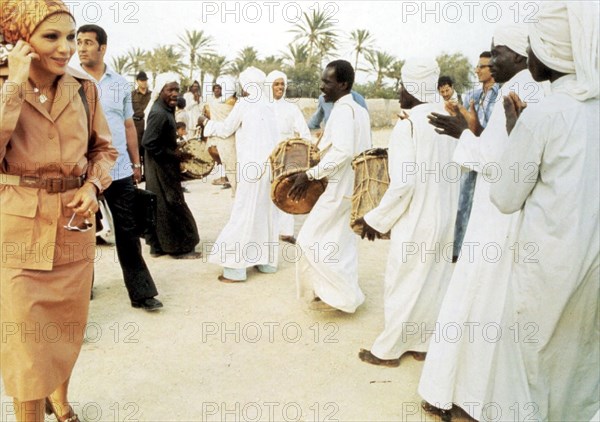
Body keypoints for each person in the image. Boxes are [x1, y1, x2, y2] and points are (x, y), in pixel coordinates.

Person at [420, 25, 544, 421]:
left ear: (521, 55)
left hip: (502, 217)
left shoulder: (523, 92)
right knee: (479, 301)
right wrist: (469, 134)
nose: (492, 59)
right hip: (496, 217)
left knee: (479, 301)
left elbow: (501, 163)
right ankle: (457, 395)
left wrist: (463, 136)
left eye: (499, 51)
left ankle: (461, 398)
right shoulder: (523, 88)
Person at [0, 2, 117, 421]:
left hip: (73, 226)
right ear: (21, 41)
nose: (67, 48)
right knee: (26, 347)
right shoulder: (2, 85)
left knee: (65, 332)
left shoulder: (84, 89)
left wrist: (92, 184)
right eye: (52, 37)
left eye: (70, 37)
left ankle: (60, 399)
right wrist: (13, 84)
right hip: (19, 232)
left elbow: (104, 150)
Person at [489, 3, 598, 420]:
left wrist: (518, 134)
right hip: (591, 264)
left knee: (531, 371)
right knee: (582, 367)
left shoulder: (546, 114)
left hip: (547, 267)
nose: (528, 57)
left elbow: (504, 198)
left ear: (550, 51)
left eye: (531, 47)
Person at [356, 58, 458, 366]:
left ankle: (387, 351)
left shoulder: (408, 125)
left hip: (417, 218)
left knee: (402, 281)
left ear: (412, 87)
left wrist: (375, 219)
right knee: (433, 281)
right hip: (445, 217)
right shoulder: (448, 119)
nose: (399, 91)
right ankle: (422, 344)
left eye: (402, 84)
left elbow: (403, 185)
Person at [77, 24, 163, 311]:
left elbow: (128, 125)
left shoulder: (120, 84)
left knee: (127, 231)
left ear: (103, 47)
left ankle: (141, 293)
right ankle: (79, 290)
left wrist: (136, 162)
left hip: (119, 169)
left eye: (88, 42)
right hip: (81, 171)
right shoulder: (68, 81)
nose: (81, 47)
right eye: (78, 42)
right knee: (81, 233)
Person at [288, 60, 371, 312]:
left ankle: (340, 295)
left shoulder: (345, 111)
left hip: (339, 188)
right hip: (354, 186)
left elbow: (343, 152)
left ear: (343, 84)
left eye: (327, 81)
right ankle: (336, 295)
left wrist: (310, 175)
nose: (322, 86)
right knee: (340, 243)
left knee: (307, 240)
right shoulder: (360, 111)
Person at [198, 67, 280, 282]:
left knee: (244, 213)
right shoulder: (269, 106)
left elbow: (226, 129)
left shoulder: (245, 104)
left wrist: (206, 124)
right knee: (265, 213)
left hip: (251, 168)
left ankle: (235, 268)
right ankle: (266, 263)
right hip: (269, 167)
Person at [142, 72, 201, 259]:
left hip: (160, 165)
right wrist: (174, 154)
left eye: (177, 89)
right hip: (162, 167)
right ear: (161, 91)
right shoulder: (159, 113)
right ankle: (179, 249)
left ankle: (158, 247)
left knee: (159, 205)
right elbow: (148, 142)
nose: (175, 93)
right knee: (172, 205)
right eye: (170, 90)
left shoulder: (164, 109)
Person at [451, 51, 499, 262]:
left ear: (493, 69)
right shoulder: (473, 96)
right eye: (477, 66)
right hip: (471, 154)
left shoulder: (500, 96)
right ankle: (458, 251)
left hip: (489, 157)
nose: (477, 70)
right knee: (462, 204)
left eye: (482, 66)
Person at [265, 70, 312, 244]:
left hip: (287, 156)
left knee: (285, 190)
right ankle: (267, 231)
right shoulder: (263, 107)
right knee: (266, 192)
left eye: (282, 84)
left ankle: (285, 232)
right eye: (276, 84)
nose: (280, 87)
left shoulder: (291, 108)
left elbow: (305, 133)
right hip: (266, 155)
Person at [202, 77, 238, 191]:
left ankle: (227, 178)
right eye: (216, 88)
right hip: (217, 132)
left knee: (230, 159)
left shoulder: (232, 101)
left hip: (227, 134)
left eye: (220, 88)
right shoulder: (214, 102)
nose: (218, 90)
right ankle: (225, 177)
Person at [131, 70, 151, 177]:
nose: (143, 83)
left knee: (147, 150)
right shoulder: (132, 95)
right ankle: (137, 174)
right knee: (137, 149)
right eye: (141, 80)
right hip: (136, 124)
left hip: (148, 124)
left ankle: (148, 175)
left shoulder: (152, 95)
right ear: (137, 81)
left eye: (145, 80)